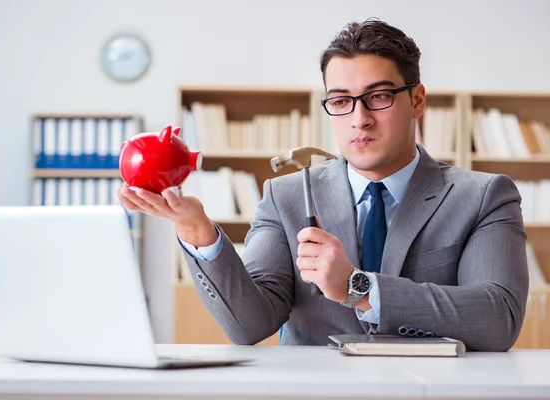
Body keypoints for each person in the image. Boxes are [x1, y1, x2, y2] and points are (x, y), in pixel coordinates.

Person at [118, 17, 528, 351]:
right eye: (340, 100)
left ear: (417, 99)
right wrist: (197, 231)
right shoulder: (286, 196)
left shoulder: (483, 195)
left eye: (379, 96)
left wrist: (359, 288)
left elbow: (497, 319)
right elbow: (249, 325)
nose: (359, 118)